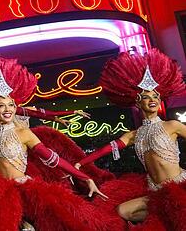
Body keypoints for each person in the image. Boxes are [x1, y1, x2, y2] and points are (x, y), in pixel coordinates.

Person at [0, 54, 115, 231]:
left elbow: (54, 159)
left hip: (23, 189)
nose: (7, 109)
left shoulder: (24, 133)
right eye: (2, 105)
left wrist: (85, 177)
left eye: (11, 105)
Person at [75, 49, 186, 228]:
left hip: (180, 187)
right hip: (156, 192)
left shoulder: (171, 125)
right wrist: (79, 164)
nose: (152, 99)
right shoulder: (134, 135)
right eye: (146, 97)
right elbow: (104, 150)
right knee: (123, 211)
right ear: (137, 102)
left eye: (155, 96)